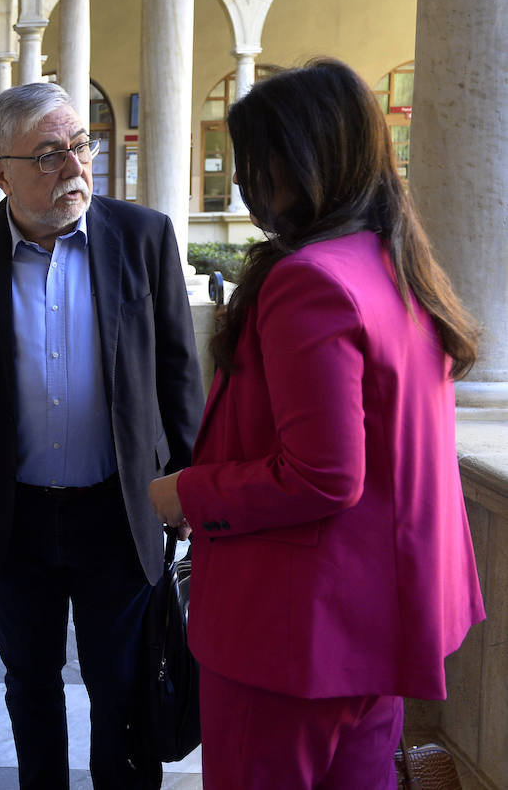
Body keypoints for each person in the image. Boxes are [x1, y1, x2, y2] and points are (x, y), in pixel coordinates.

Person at [148, 59, 485, 789]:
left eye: (252, 164)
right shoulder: (395, 265)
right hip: (374, 626)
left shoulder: (311, 279)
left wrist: (187, 494)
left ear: (301, 160)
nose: (242, 184)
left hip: (293, 632)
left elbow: (323, 473)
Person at [0, 81, 204, 789]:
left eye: (79, 146)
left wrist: (191, 482)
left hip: (118, 509)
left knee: (119, 682)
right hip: (16, 514)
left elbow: (178, 374)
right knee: (29, 680)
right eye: (47, 154)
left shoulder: (143, 236)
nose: (73, 167)